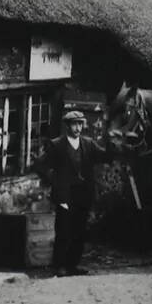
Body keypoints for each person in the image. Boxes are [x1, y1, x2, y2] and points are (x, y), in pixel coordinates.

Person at [34, 110, 114, 277]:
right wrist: (55, 183)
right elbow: (40, 165)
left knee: (80, 230)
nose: (78, 128)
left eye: (80, 124)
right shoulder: (57, 145)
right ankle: (60, 266)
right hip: (65, 194)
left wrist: (113, 144)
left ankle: (73, 265)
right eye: (74, 124)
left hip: (83, 194)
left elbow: (105, 157)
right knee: (63, 231)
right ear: (67, 126)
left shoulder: (89, 144)